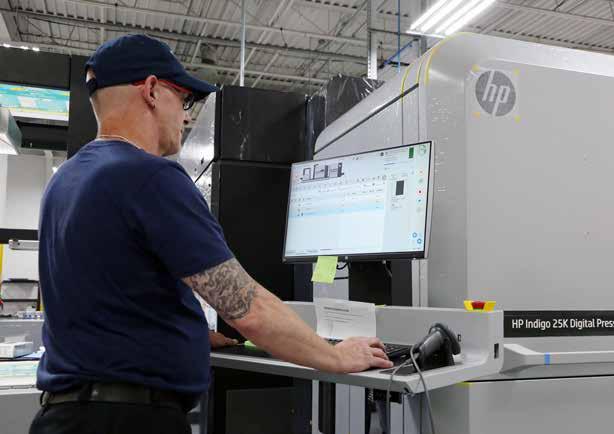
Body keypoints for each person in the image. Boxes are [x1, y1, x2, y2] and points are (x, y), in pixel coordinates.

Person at [30, 34, 392, 434]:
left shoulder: (65, 180)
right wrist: (335, 356)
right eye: (184, 100)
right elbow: (249, 309)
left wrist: (186, 333)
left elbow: (104, 294)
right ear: (151, 90)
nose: (186, 118)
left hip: (64, 416)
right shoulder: (148, 175)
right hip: (127, 420)